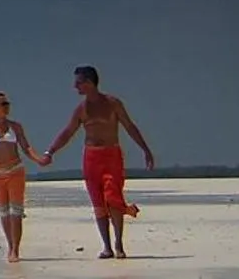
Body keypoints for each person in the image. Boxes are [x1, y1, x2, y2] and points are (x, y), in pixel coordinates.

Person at [43, 65, 155, 259]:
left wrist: (145, 149)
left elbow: (129, 126)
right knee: (98, 203)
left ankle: (119, 243)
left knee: (113, 197)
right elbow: (68, 132)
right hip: (91, 158)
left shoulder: (113, 103)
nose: (75, 87)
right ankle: (107, 246)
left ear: (89, 82)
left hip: (111, 156)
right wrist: (50, 151)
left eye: (78, 83)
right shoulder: (81, 109)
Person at [0, 90, 52, 263]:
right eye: (3, 104)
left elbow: (26, 147)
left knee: (16, 212)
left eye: (8, 104)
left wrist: (39, 159)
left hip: (15, 171)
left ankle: (15, 249)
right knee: (4, 212)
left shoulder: (16, 127)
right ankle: (9, 245)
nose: (7, 107)